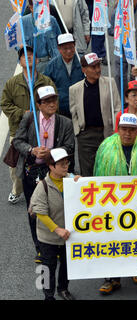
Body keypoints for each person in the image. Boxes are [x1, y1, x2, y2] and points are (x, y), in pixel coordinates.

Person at [94, 113, 137, 294]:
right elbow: (97, 175)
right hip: (112, 203)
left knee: (136, 237)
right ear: (118, 129)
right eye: (124, 129)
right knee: (111, 240)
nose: (127, 134)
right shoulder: (105, 147)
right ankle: (111, 278)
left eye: (132, 130)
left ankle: (136, 269)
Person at [13, 86, 75, 264]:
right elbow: (18, 141)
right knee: (35, 210)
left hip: (54, 172)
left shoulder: (65, 122)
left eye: (53, 100)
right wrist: (32, 150)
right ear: (38, 104)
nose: (52, 104)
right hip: (32, 171)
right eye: (46, 101)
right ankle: (39, 248)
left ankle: (59, 246)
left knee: (57, 210)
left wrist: (51, 153)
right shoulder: (29, 118)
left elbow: (69, 147)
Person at [1, 46, 56, 205]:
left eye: (32, 55)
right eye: (24, 56)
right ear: (20, 62)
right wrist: (22, 113)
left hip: (42, 129)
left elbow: (54, 102)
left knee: (41, 161)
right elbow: (5, 104)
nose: (29, 57)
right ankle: (17, 190)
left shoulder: (46, 82)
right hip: (19, 131)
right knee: (16, 166)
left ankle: (43, 191)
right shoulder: (12, 83)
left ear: (38, 60)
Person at [29, 148, 78, 300]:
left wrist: (82, 183)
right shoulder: (42, 187)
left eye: (67, 163)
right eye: (62, 164)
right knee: (48, 267)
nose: (66, 166)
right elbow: (40, 213)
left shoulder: (72, 181)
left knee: (66, 265)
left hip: (67, 235)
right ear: (51, 166)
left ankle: (63, 289)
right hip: (48, 237)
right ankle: (48, 296)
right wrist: (57, 230)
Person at [69, 52, 121, 177]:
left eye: (98, 66)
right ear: (84, 70)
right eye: (93, 67)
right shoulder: (74, 89)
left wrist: (115, 131)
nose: (98, 70)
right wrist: (78, 132)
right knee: (87, 172)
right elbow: (73, 112)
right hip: (85, 136)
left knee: (108, 169)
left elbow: (117, 108)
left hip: (107, 133)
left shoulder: (110, 83)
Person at [44, 33, 85, 119]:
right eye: (65, 48)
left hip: (82, 107)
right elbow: (46, 88)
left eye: (71, 47)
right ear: (59, 49)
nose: (69, 51)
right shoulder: (51, 66)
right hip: (61, 109)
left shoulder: (83, 62)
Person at [22, 0, 62, 72]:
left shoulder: (52, 20)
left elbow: (60, 41)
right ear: (30, 8)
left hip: (52, 63)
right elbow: (18, 45)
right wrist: (23, 46)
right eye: (37, 6)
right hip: (33, 66)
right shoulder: (23, 22)